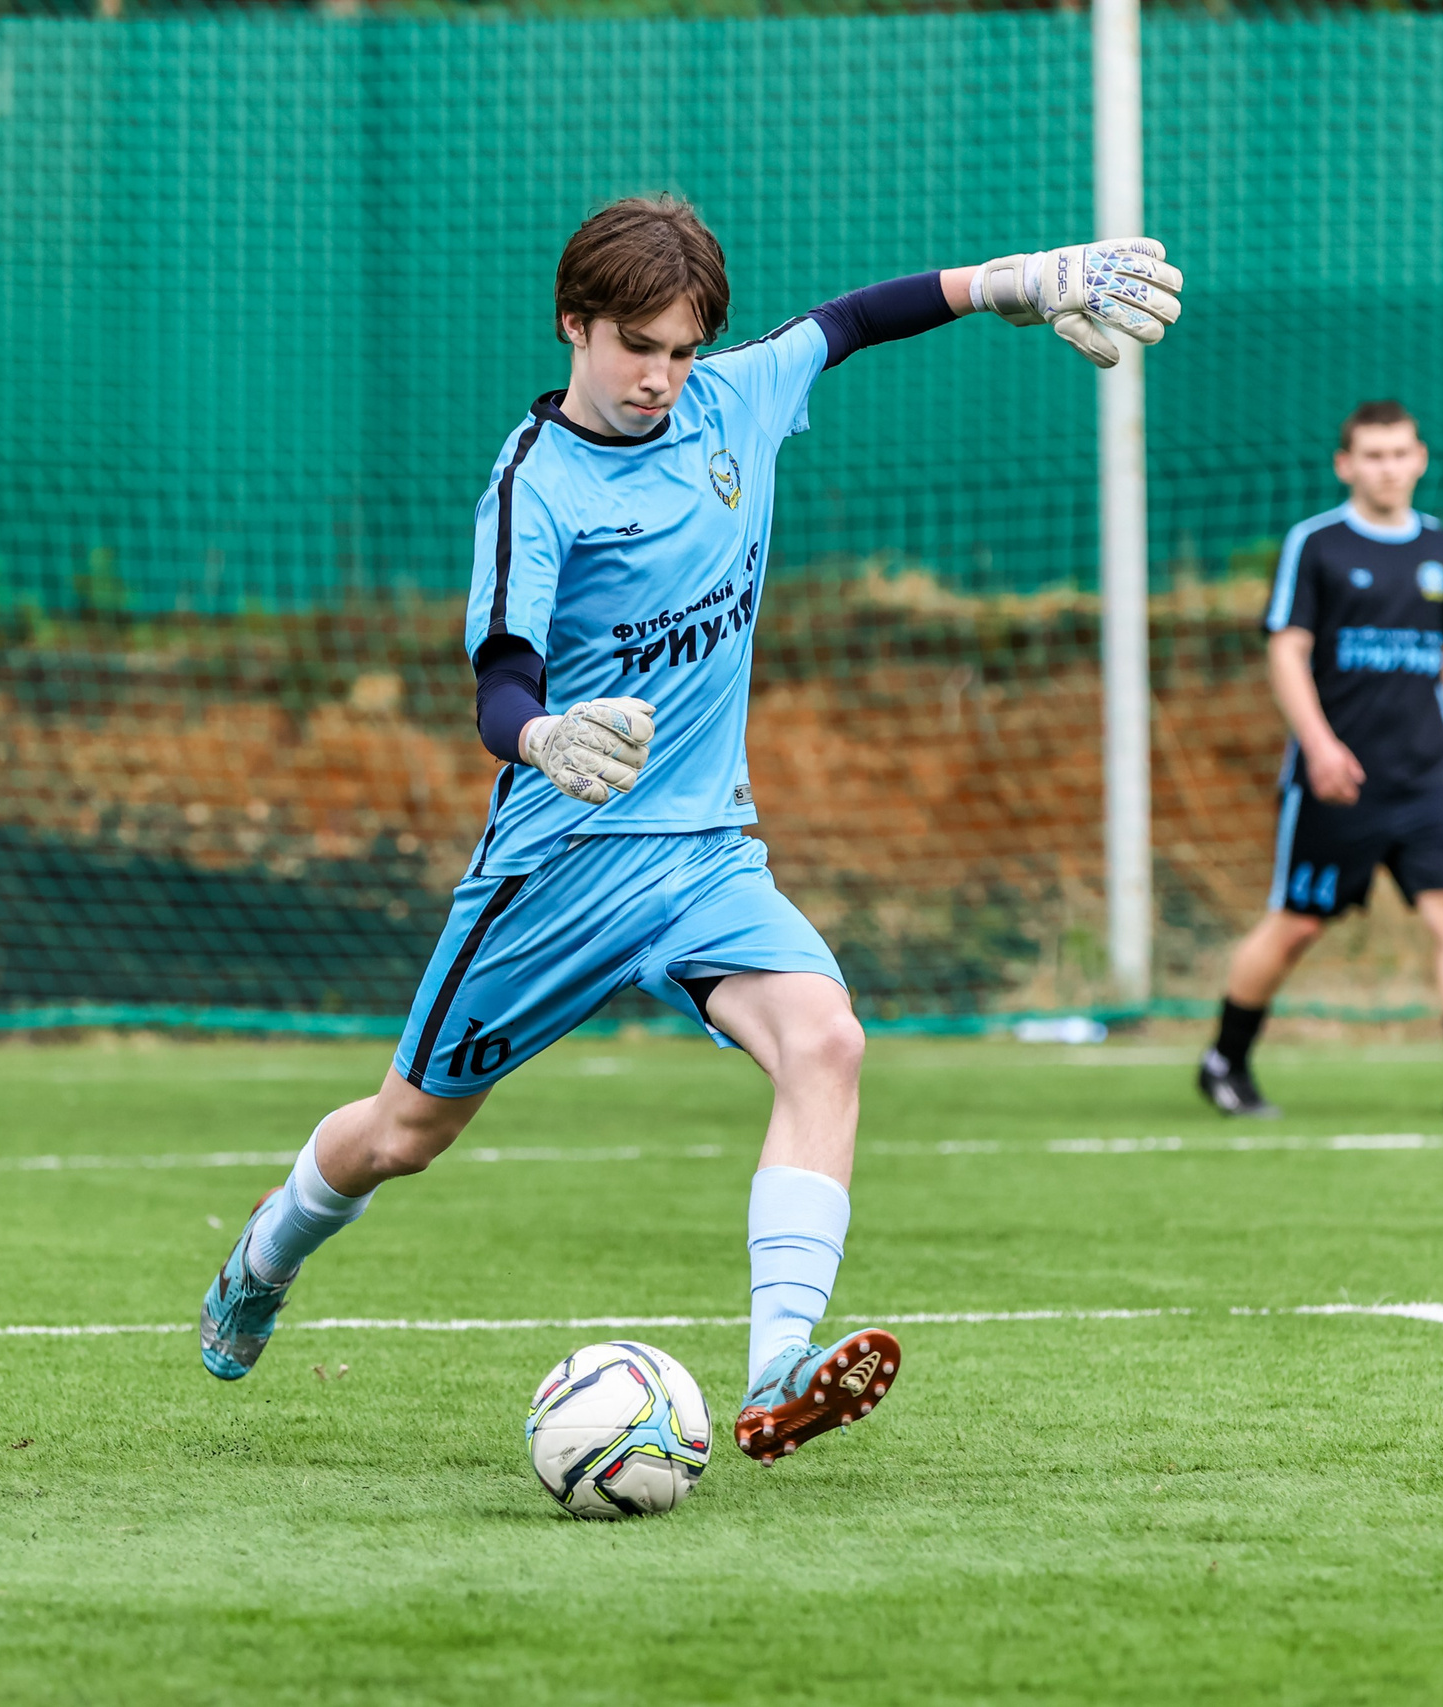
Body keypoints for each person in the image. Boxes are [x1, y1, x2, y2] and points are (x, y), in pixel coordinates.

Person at [197, 196, 1186, 1462]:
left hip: (706, 855)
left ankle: (780, 1363)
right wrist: (541, 737)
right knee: (403, 1134)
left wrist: (1023, 279)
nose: (660, 378)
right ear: (575, 326)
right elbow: (501, 674)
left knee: (827, 1040)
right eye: (636, 348)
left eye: (679, 349)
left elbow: (854, 321)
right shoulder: (533, 483)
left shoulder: (733, 402)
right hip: (555, 869)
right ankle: (265, 1258)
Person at [1198, 401, 1443, 1120]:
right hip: (1340, 782)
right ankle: (1225, 1058)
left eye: (1399, 453)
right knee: (1297, 923)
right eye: (1372, 455)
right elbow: (1286, 650)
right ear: (1345, 465)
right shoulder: (1316, 544)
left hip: (1427, 778)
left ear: (1420, 459)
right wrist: (1320, 745)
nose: (1387, 468)